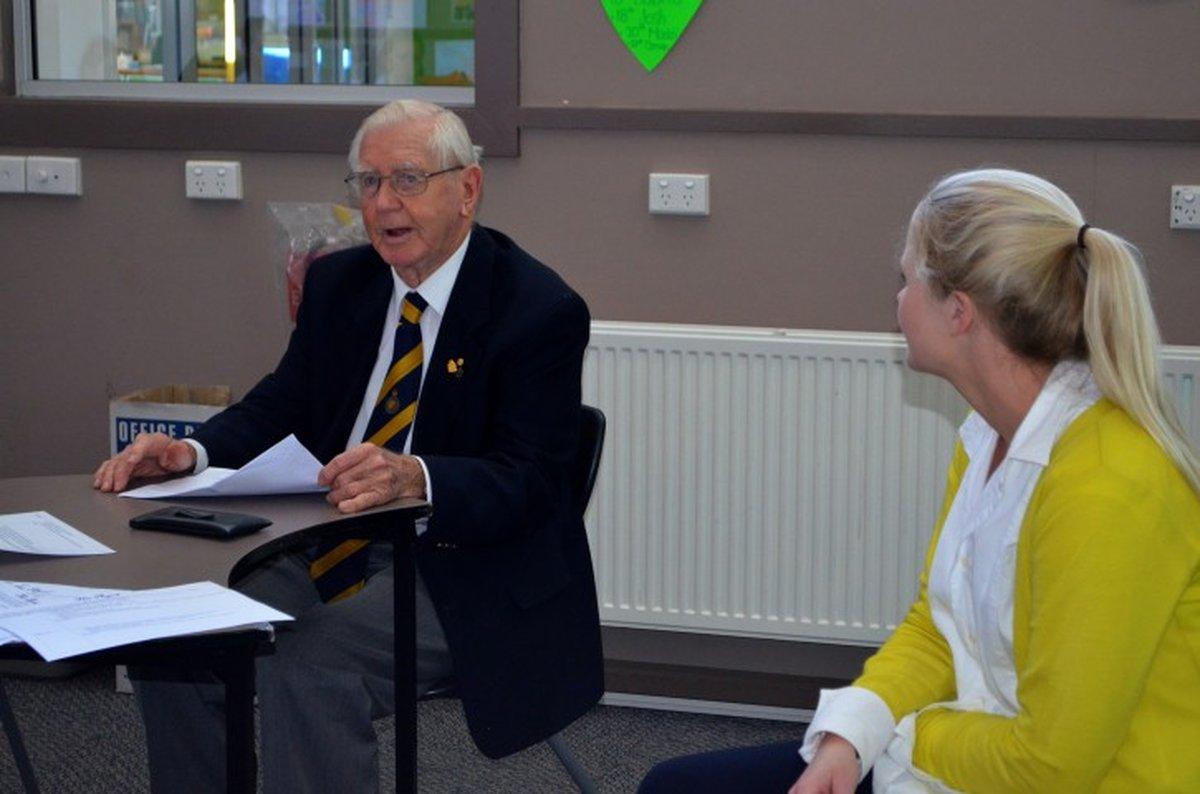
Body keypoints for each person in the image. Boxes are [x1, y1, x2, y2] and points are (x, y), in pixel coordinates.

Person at [93, 99, 604, 793]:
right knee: (178, 634)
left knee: (308, 669)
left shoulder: (536, 309)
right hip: (323, 539)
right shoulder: (342, 285)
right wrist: (195, 453)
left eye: (408, 179)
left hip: (462, 566)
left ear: (468, 189)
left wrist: (417, 476)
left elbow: (534, 480)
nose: (385, 203)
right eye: (369, 182)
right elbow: (282, 403)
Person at [640, 168, 1200, 793]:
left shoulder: (1110, 484)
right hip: (977, 755)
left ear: (958, 312)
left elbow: (1053, 767)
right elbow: (938, 629)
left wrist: (898, 736)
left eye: (906, 280)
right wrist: (851, 734)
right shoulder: (988, 435)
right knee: (675, 787)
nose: (899, 301)